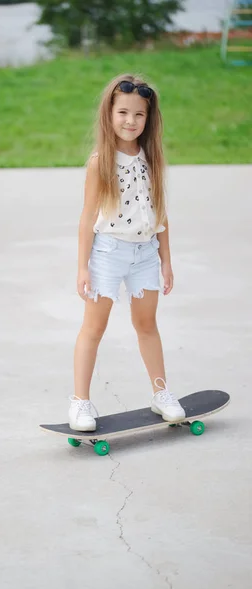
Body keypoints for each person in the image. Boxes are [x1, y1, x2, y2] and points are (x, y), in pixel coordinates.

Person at [69, 73, 186, 432]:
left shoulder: (151, 158)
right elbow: (87, 218)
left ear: (149, 118)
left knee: (147, 325)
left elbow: (160, 214)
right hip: (108, 253)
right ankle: (80, 403)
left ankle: (161, 392)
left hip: (146, 255)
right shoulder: (100, 162)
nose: (131, 121)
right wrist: (83, 267)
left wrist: (166, 260)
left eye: (139, 114)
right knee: (94, 327)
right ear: (109, 114)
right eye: (123, 112)